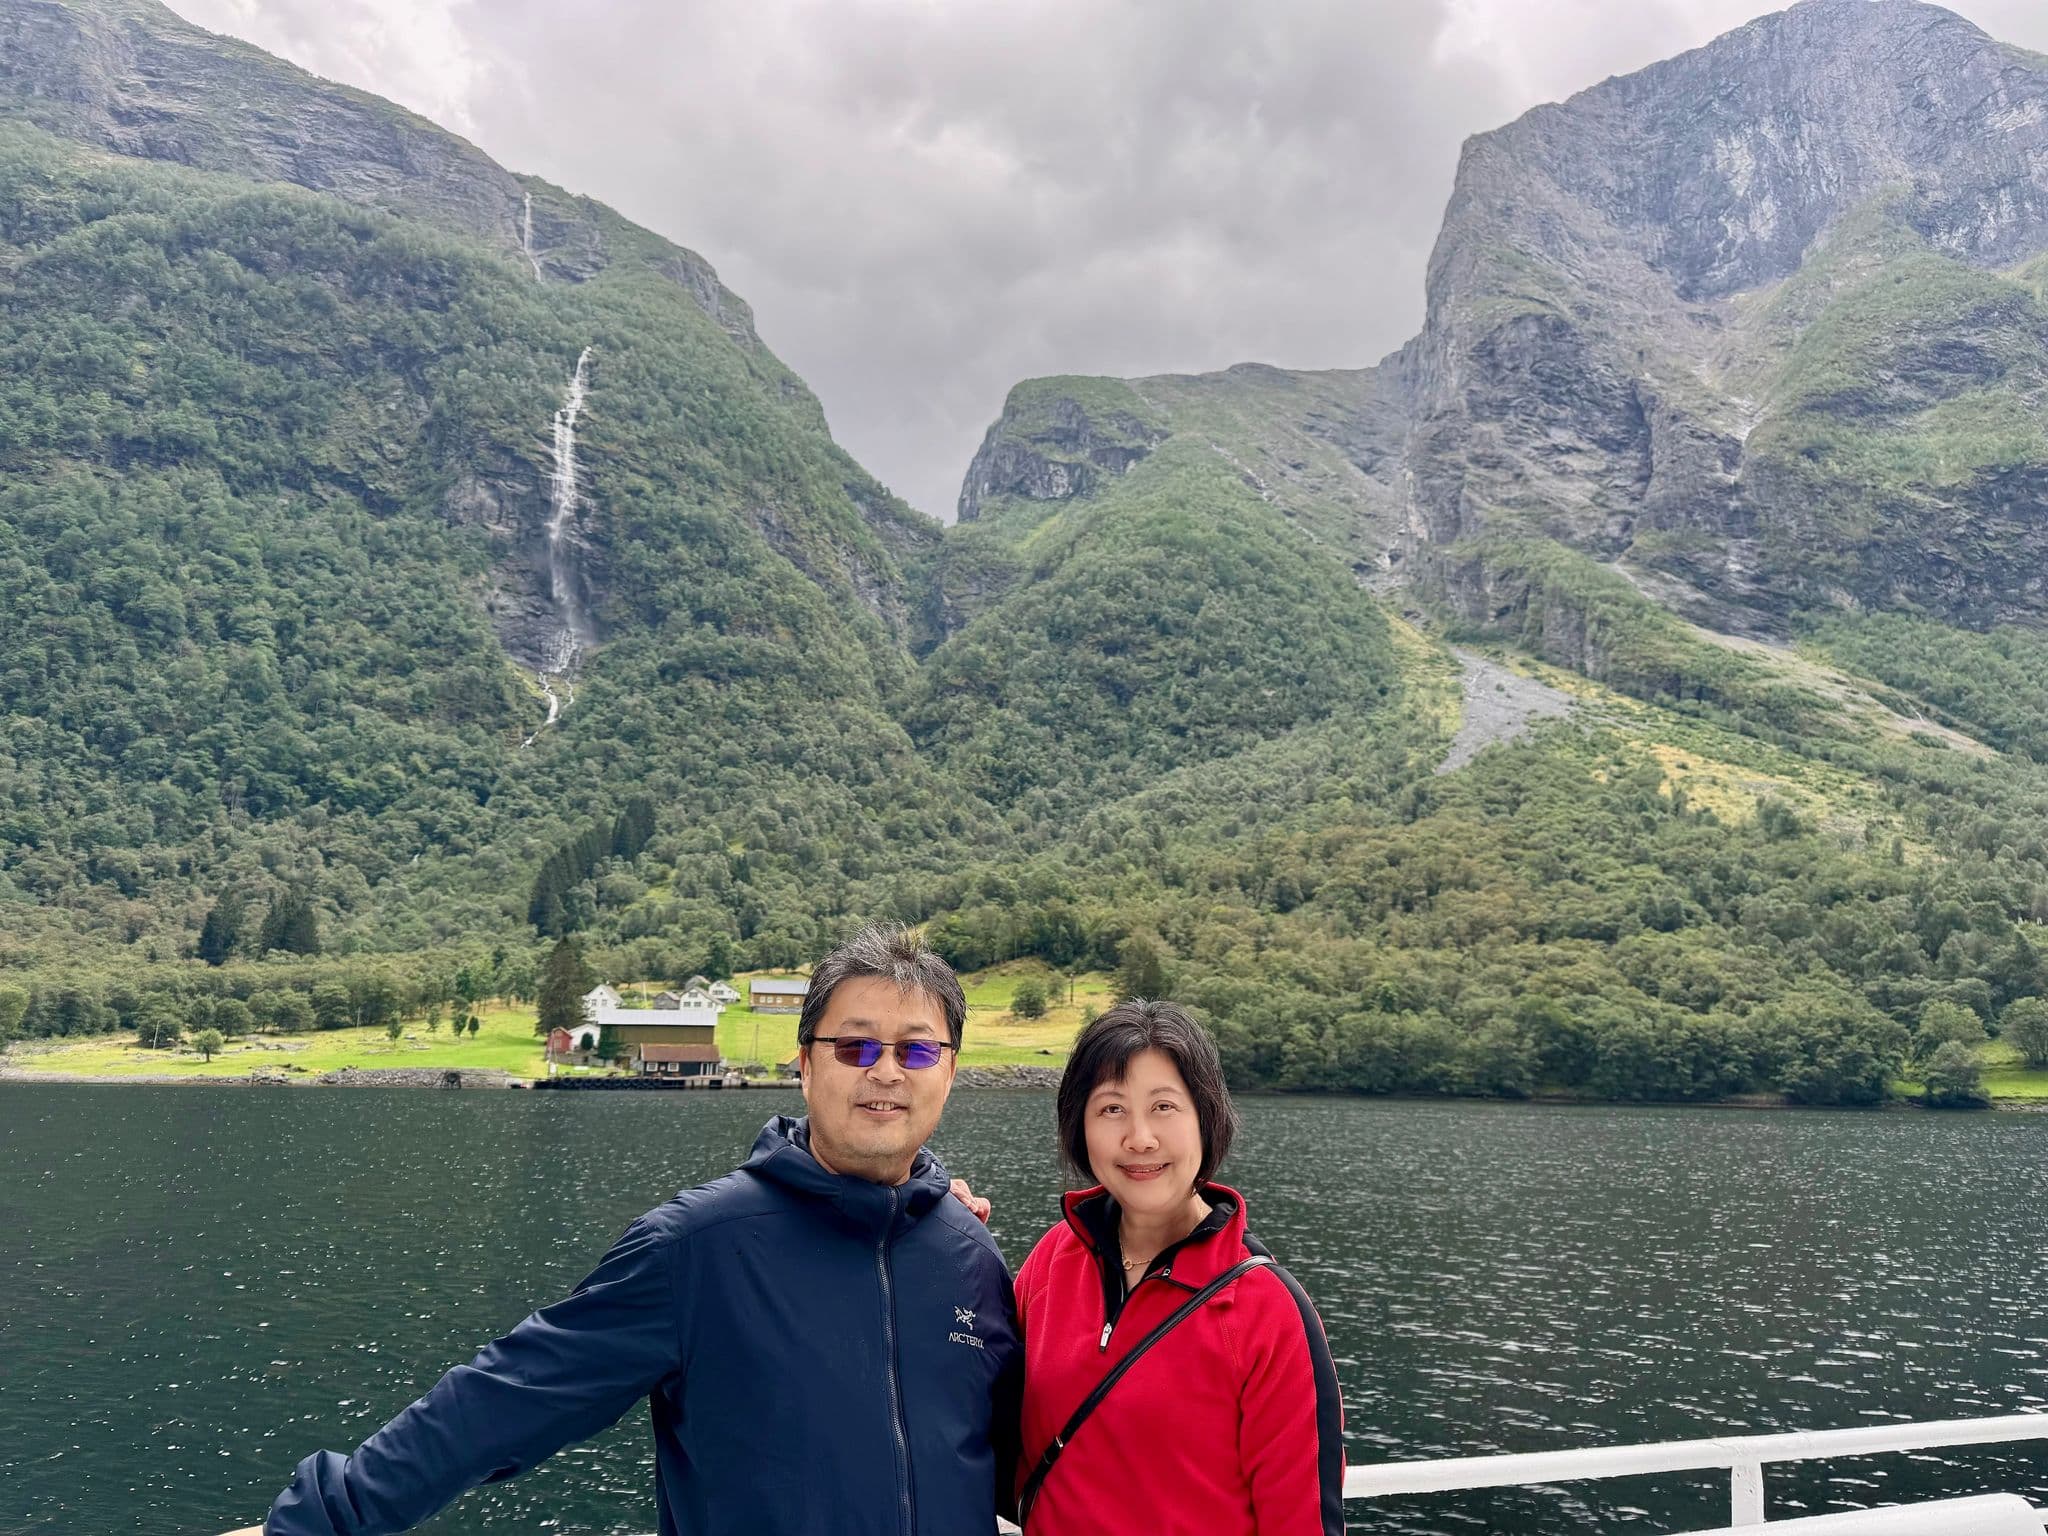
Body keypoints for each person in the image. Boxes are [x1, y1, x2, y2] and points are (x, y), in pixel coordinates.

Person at [228, 923, 1021, 1536]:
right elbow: (507, 1397)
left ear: (949, 1072)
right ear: (806, 1064)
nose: (886, 1071)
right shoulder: (700, 1246)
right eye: (855, 1045)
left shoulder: (970, 1255)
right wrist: (320, 1520)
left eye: (917, 1049)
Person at [1012, 1000, 1345, 1535]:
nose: (1140, 1138)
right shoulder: (1054, 1260)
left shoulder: (1266, 1310)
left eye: (1164, 1107)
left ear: (1205, 1118)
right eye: (1111, 1109)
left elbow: (1300, 1519)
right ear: (1081, 1127)